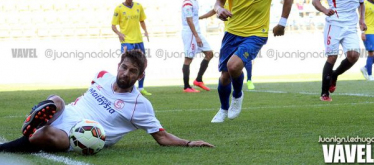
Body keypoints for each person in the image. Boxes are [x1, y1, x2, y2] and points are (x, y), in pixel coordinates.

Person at [0, 50, 214, 153]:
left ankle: (19, 139)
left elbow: (161, 136)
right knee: (55, 100)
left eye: (133, 71)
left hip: (79, 134)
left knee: (43, 135)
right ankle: (34, 121)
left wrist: (187, 142)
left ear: (140, 77)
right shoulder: (102, 76)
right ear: (118, 65)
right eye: (124, 67)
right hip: (67, 113)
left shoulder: (140, 106)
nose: (125, 73)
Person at [211, 0, 294, 123]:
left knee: (233, 66)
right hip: (232, 31)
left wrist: (282, 23)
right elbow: (218, 2)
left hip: (256, 33)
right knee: (225, 76)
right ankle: (223, 109)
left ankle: (238, 96)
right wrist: (219, 10)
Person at [312, 0, 366, 102]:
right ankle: (324, 93)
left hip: (350, 26)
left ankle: (334, 75)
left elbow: (361, 3)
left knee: (354, 56)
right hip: (334, 24)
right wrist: (324, 10)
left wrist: (362, 20)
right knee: (332, 56)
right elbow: (315, 0)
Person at [112, 0, 151, 96]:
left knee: (142, 63)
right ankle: (122, 86)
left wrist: (146, 31)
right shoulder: (119, 9)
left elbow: (142, 21)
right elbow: (113, 26)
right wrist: (119, 33)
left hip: (139, 40)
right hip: (127, 41)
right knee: (126, 63)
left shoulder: (139, 6)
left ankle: (141, 87)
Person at [182, 0, 213, 93]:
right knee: (188, 58)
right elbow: (189, 20)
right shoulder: (187, 2)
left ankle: (198, 80)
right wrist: (196, 36)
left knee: (209, 53)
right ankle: (186, 87)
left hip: (196, 33)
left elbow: (194, 18)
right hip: (190, 33)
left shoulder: (194, 1)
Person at [360, 0, 374, 81]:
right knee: (371, 53)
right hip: (368, 32)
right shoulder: (364, 4)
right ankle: (369, 75)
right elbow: (361, 19)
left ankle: (365, 68)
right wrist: (362, 32)